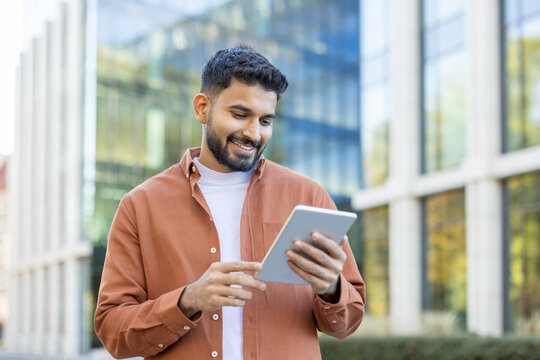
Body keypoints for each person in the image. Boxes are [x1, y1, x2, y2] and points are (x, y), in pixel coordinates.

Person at [94, 46, 365, 360]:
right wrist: (187, 300)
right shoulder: (140, 206)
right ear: (202, 108)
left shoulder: (309, 197)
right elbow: (112, 330)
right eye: (240, 115)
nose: (253, 132)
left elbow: (348, 321)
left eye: (266, 121)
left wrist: (330, 287)